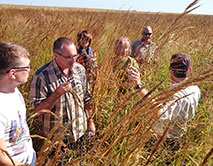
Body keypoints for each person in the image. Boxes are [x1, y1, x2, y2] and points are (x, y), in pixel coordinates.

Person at [30, 37, 96, 149]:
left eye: (75, 56)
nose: (73, 61)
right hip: (57, 141)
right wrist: (56, 94)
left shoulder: (80, 70)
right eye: (69, 57)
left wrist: (90, 122)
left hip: (81, 133)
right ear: (56, 55)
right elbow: (38, 111)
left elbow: (87, 98)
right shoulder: (42, 76)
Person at [128, 53, 201, 140]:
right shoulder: (195, 90)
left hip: (163, 140)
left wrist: (139, 86)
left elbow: (158, 112)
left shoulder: (176, 95)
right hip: (179, 137)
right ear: (189, 70)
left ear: (170, 70)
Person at [0, 42, 36, 166]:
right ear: (12, 73)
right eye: (27, 67)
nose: (30, 70)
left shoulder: (14, 90)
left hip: (29, 157)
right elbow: (2, 158)